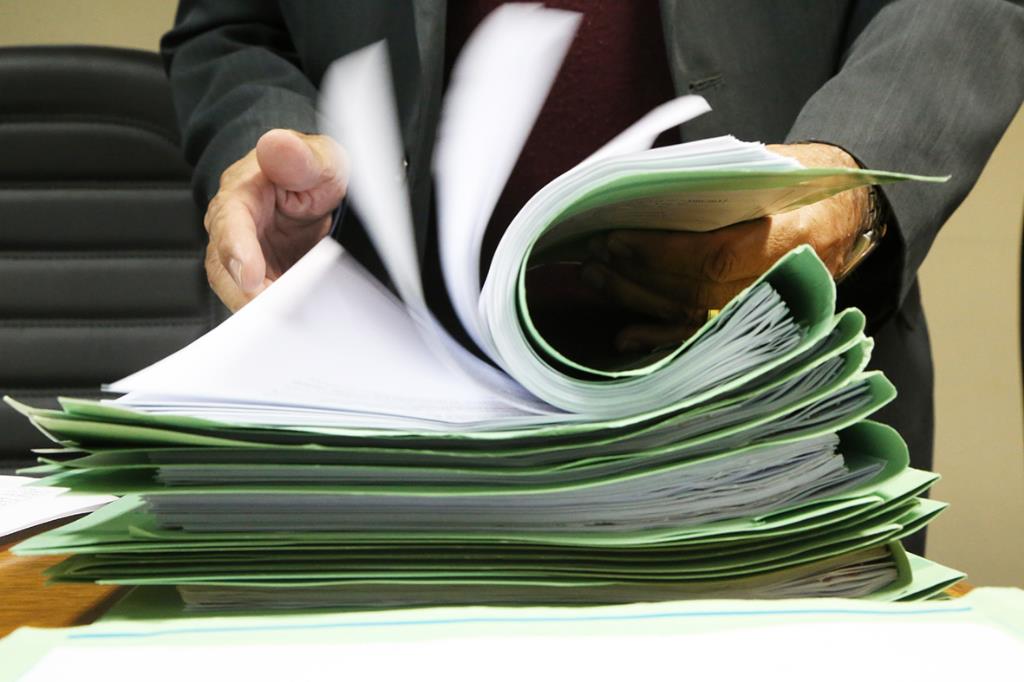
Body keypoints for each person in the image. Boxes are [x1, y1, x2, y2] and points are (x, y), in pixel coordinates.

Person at [161, 1, 1024, 555]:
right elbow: (234, 26)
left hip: (765, 408)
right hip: (372, 435)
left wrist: (847, 175)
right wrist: (269, 143)